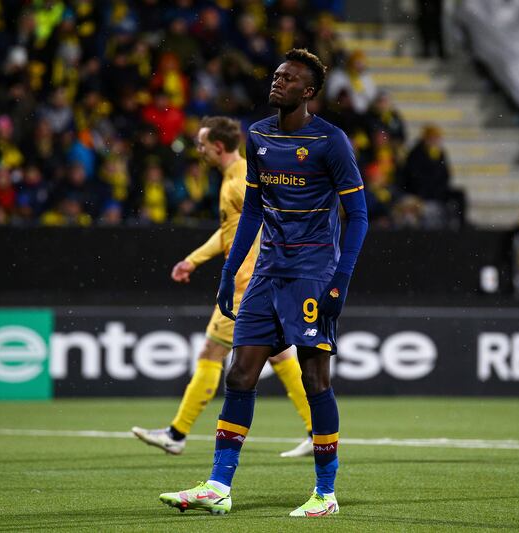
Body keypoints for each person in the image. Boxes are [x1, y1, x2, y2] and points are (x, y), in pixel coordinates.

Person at [158, 49, 368, 517]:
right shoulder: (258, 135)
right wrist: (231, 271)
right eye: (276, 75)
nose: (278, 82)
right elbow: (253, 210)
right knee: (239, 373)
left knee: (315, 379)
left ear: (308, 92)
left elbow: (358, 215)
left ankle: (326, 493)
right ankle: (218, 485)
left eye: (289, 78)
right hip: (266, 273)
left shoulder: (330, 142)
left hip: (312, 274)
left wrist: (340, 281)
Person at [132, 116, 314, 459]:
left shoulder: (238, 183)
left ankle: (176, 433)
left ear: (218, 147)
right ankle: (318, 431)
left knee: (212, 353)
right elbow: (233, 231)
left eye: (202, 144)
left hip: (247, 287)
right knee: (279, 355)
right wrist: (193, 260)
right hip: (258, 282)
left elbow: (279, 217)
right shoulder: (237, 177)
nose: (199, 150)